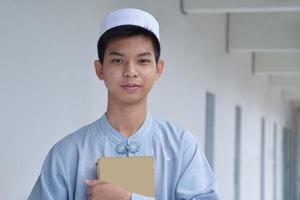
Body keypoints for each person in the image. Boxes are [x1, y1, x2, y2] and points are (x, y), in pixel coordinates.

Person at [28, 8, 220, 200]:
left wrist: (129, 198)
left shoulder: (182, 147)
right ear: (100, 69)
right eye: (118, 60)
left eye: (143, 60)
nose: (130, 71)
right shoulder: (67, 153)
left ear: (158, 69)